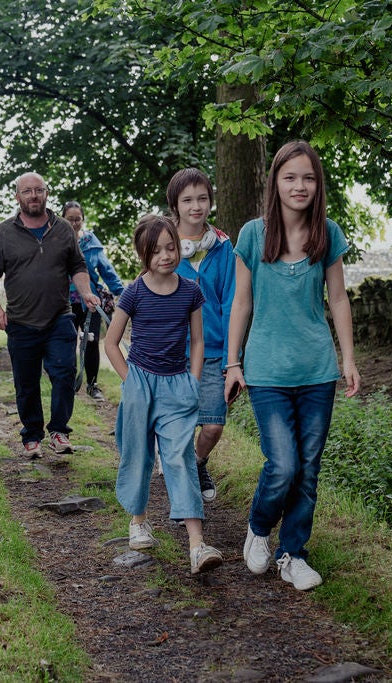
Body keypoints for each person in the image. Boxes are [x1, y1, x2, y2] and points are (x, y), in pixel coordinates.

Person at [224, 141, 361, 591]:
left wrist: (348, 358)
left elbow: (337, 299)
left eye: (308, 178)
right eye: (290, 177)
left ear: (318, 184)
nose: (299, 186)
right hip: (266, 371)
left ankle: (293, 553)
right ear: (275, 183)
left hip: (317, 371)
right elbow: (241, 303)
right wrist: (232, 363)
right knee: (282, 464)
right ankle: (259, 528)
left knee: (308, 468)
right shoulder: (252, 234)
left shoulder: (328, 233)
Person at [104, 214, 224, 575]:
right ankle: (138, 522)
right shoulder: (134, 292)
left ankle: (197, 546)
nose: (166, 256)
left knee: (179, 457)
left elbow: (199, 340)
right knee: (138, 454)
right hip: (141, 382)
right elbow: (111, 344)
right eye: (156, 251)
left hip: (177, 385)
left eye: (171, 248)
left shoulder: (190, 290)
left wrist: (194, 378)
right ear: (144, 255)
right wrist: (129, 381)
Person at [0, 172, 100, 458]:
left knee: (64, 374)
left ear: (46, 193)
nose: (33, 196)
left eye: (38, 190)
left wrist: (85, 292)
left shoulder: (62, 230)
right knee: (27, 382)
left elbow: (78, 266)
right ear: (17, 197)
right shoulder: (3, 233)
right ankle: (32, 436)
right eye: (27, 191)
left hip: (60, 317)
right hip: (20, 322)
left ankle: (59, 431)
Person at [167, 168, 235, 503]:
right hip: (172, 354)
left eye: (203, 198)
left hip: (212, 352)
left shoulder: (223, 247)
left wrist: (231, 358)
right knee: (177, 428)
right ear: (175, 205)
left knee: (212, 426)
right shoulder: (163, 244)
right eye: (188, 200)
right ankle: (183, 499)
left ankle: (198, 463)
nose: (196, 206)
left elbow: (231, 302)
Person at [62, 201, 125, 402]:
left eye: (77, 219)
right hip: (64, 302)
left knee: (91, 343)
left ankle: (92, 385)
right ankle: (69, 385)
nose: (73, 223)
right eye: (69, 219)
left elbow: (106, 270)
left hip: (91, 301)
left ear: (83, 220)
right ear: (63, 218)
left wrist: (121, 292)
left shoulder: (91, 243)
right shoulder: (56, 240)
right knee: (67, 342)